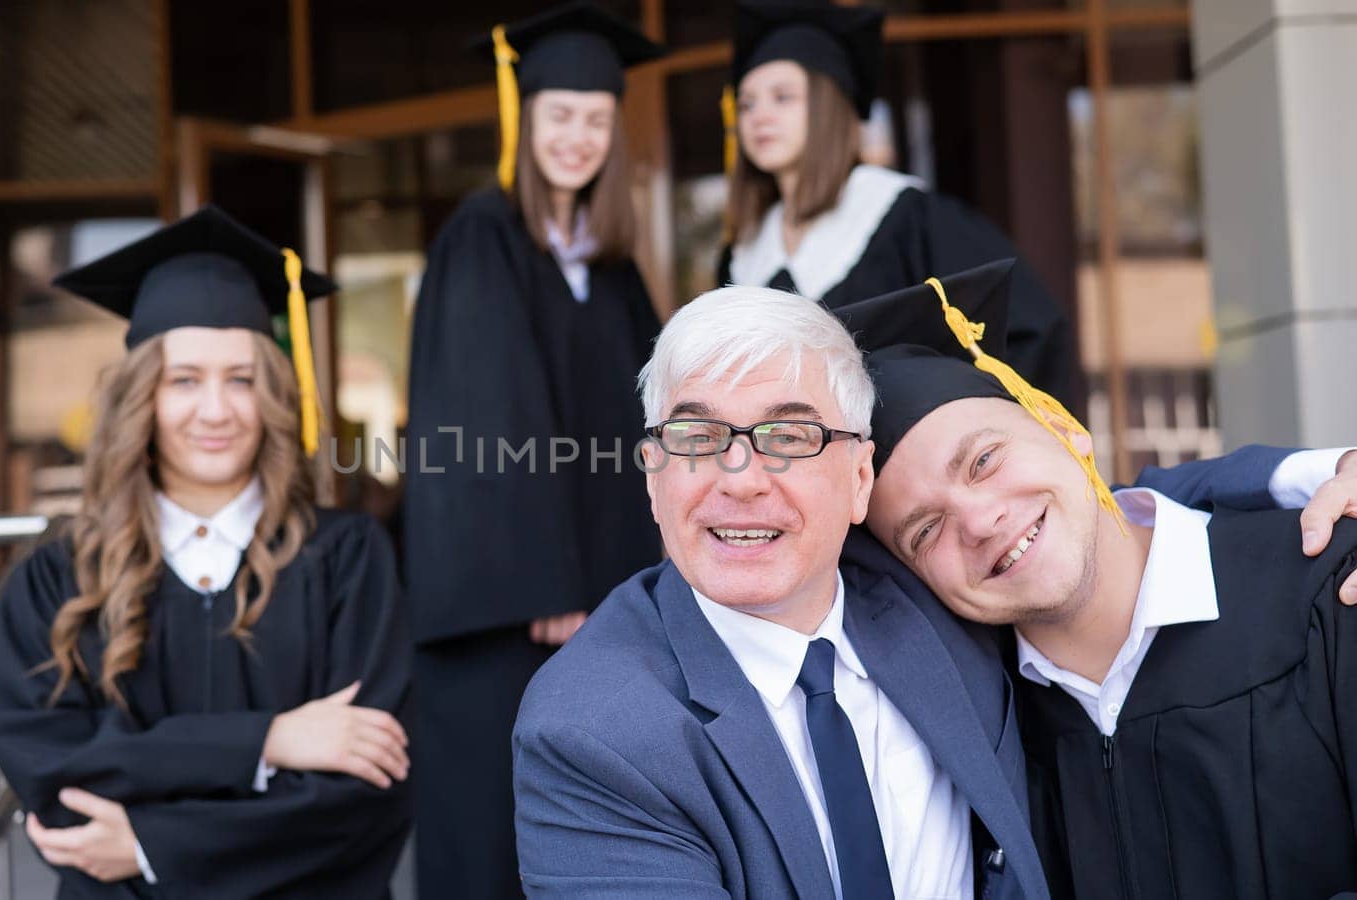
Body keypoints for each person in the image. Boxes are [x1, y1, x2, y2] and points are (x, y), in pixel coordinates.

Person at [511, 278, 1355, 899]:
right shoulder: (596, 732)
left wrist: (1313, 472)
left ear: (852, 483)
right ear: (651, 471)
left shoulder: (1326, 601)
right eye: (697, 437)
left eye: (789, 435)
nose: (741, 476)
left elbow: (1100, 515)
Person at [854, 261, 1357, 898]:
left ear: (1066, 429)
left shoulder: (1330, 591)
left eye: (984, 460)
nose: (979, 522)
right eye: (925, 531)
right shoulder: (985, 734)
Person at [0, 206, 411, 898]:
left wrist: (150, 842)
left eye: (240, 379)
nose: (216, 410)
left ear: (272, 395)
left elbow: (366, 796)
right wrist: (267, 742)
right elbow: (58, 778)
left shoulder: (346, 561)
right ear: (139, 398)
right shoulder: (63, 578)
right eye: (184, 380)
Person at [402, 3, 664, 896]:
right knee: (492, 837)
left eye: (596, 120)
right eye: (559, 115)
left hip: (601, 602)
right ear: (523, 119)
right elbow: (484, 417)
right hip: (513, 617)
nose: (578, 137)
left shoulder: (614, 266)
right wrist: (547, 584)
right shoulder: (484, 237)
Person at [717, 0, 1073, 398]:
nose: (759, 116)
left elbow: (1029, 327)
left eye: (782, 97)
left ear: (828, 107)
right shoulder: (744, 253)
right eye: (746, 103)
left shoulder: (905, 218)